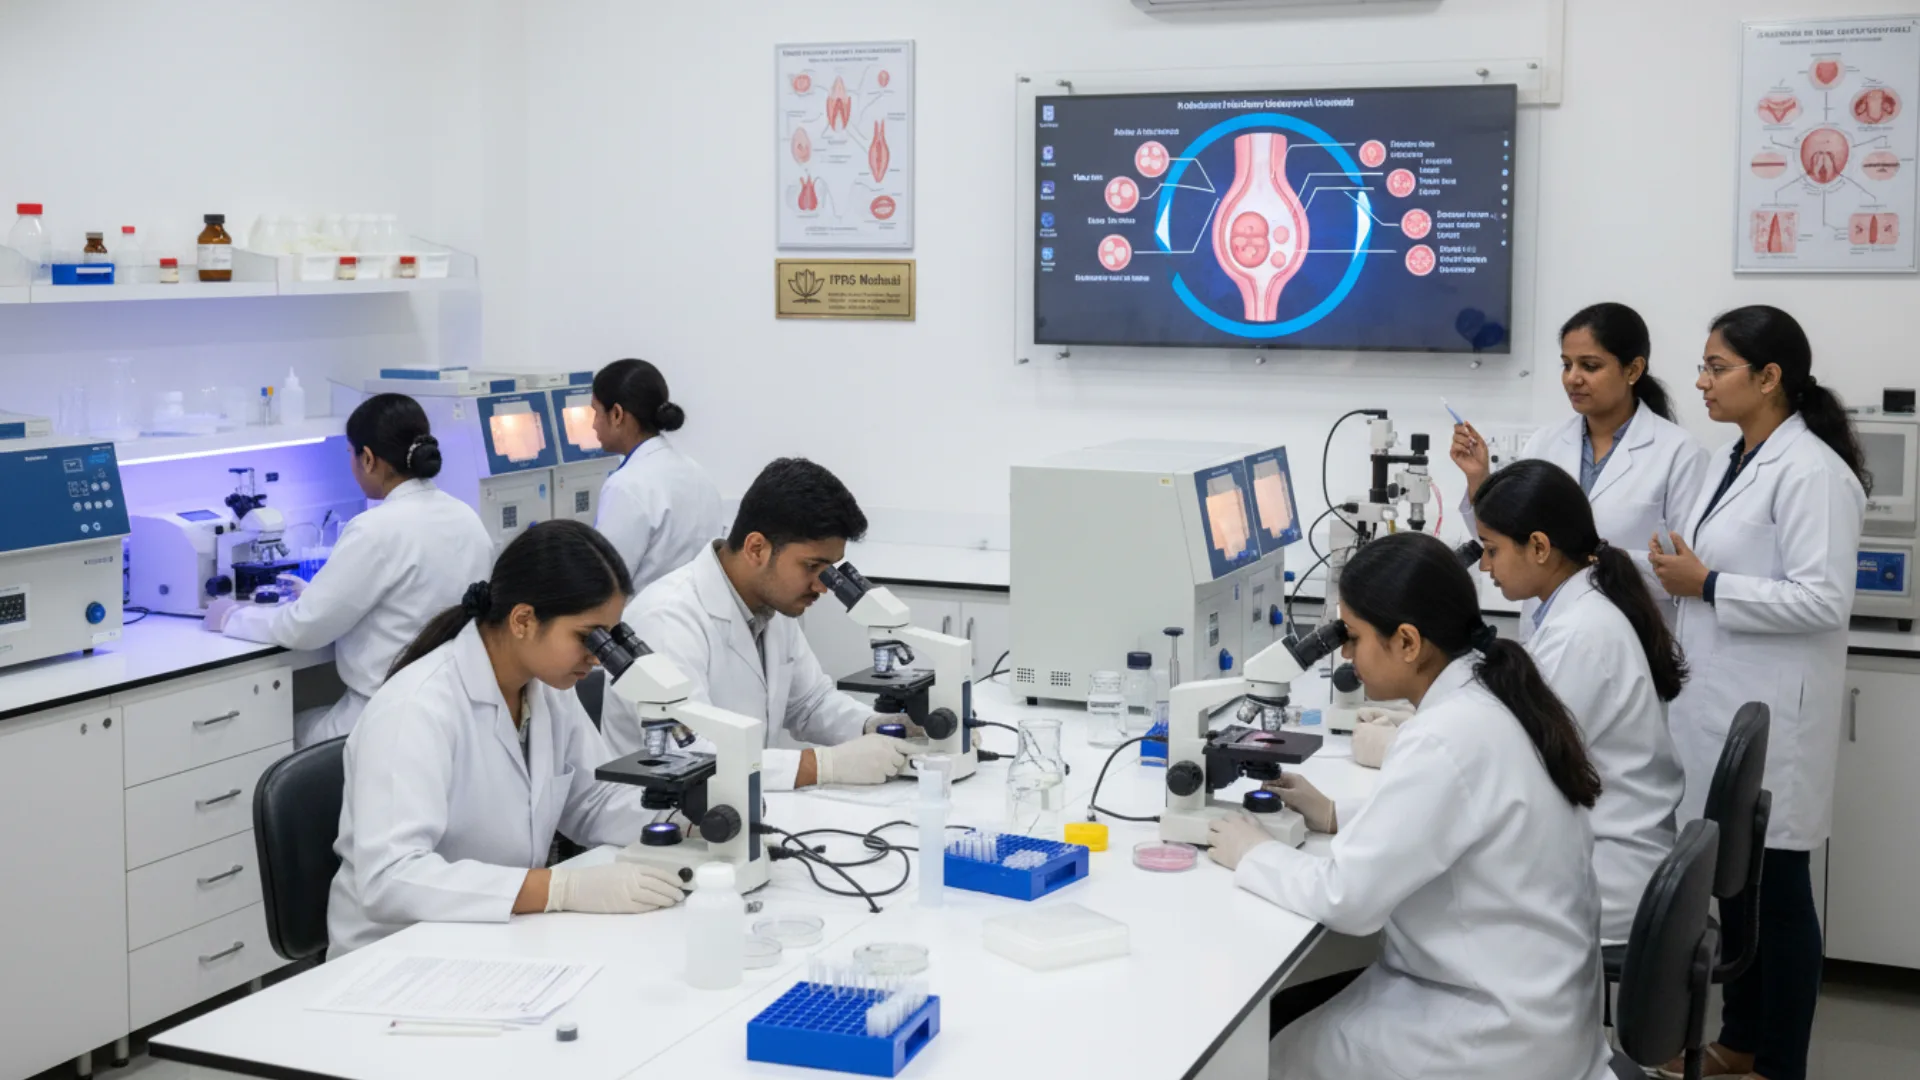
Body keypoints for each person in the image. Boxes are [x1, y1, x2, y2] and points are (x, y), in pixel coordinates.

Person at [1206, 532, 1610, 1080]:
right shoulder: (1494, 693)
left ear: (1407, 642)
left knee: (1263, 1057)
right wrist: (1336, 814)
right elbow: (1461, 819)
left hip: (1491, 1034)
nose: (1345, 654)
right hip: (1541, 1009)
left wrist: (1252, 852)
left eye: (1352, 637)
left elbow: (1347, 899)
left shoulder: (1447, 734)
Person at [1647, 305, 1868, 1080]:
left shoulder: (1813, 473)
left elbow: (1823, 599)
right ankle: (1739, 1041)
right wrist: (1685, 571)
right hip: (1723, 707)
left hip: (1776, 723)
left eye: (1717, 368)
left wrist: (1707, 583)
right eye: (1703, 367)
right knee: (1735, 891)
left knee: (1778, 899)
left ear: (1769, 377)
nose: (1702, 382)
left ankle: (1780, 1063)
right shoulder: (1731, 457)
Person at [327, 521, 684, 957]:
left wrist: (684, 820)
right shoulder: (416, 708)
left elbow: (591, 802)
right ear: (523, 620)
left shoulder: (546, 689)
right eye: (586, 636)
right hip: (394, 954)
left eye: (608, 638)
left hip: (497, 935)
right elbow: (390, 878)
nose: (597, 657)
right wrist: (559, 888)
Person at [1474, 458, 1687, 944]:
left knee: (1431, 900)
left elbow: (1509, 766)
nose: (1485, 566)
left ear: (1539, 547)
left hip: (1606, 875)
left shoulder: (1581, 634)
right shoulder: (1586, 606)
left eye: (1491, 550)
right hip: (1614, 848)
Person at [603, 458, 911, 790]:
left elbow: (810, 703)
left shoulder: (773, 604)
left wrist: (877, 726)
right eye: (812, 566)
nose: (822, 586)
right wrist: (821, 765)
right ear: (756, 548)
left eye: (829, 570)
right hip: (661, 813)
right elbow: (691, 755)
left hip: (745, 800)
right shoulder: (667, 618)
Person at [206, 393, 493, 748]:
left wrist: (232, 617)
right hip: (454, 713)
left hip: (385, 720)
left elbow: (302, 629)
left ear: (368, 459)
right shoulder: (466, 516)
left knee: (280, 738)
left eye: (350, 455)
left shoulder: (375, 528)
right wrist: (317, 596)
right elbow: (412, 601)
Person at [1452, 302, 1711, 634]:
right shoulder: (1545, 444)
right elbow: (1503, 542)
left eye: (1590, 366)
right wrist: (1478, 478)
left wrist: (1586, 562)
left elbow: (1683, 572)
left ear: (1633, 370)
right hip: (1547, 629)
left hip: (1627, 631)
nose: (1573, 378)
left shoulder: (1680, 453)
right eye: (1566, 364)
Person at [590, 358, 724, 590]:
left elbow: (604, 584)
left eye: (596, 412)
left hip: (645, 613)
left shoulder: (626, 487)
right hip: (697, 610)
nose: (593, 425)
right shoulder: (696, 473)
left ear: (617, 414)